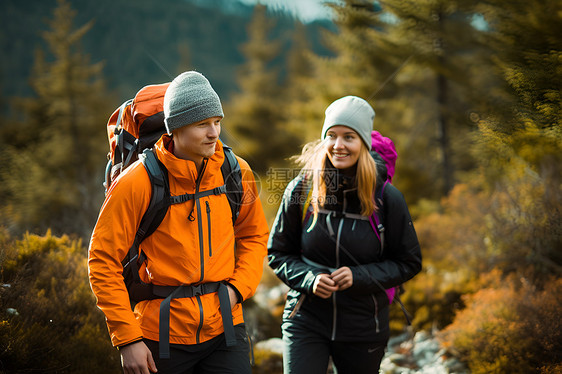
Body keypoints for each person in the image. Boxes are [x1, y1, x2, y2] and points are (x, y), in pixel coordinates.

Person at [88, 71, 269, 374]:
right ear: (175, 128)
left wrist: (237, 289)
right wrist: (128, 339)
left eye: (217, 122)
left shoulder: (235, 171)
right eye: (202, 124)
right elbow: (102, 260)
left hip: (225, 327)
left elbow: (254, 235)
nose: (214, 133)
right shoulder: (139, 182)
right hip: (160, 335)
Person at [267, 96, 422, 373]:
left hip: (364, 326)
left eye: (349, 137)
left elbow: (409, 262)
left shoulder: (387, 197)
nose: (338, 146)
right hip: (305, 318)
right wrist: (309, 278)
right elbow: (278, 253)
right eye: (332, 136)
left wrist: (358, 277)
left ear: (363, 143)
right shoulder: (301, 189)